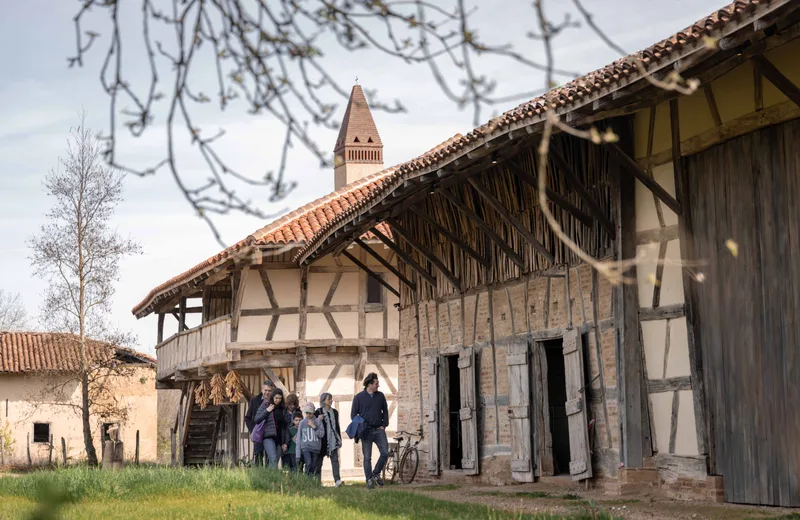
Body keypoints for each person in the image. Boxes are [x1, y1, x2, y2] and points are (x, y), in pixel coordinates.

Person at [351, 372, 389, 489]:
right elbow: (353, 415)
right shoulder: (358, 397)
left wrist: (384, 424)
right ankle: (369, 479)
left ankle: (375, 474)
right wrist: (362, 425)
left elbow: (385, 411)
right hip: (366, 432)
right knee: (367, 457)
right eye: (376, 383)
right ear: (370, 384)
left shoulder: (380, 396)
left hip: (379, 430)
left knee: (385, 453)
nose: (378, 385)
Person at [253, 388, 289, 468]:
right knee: (273, 459)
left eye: (280, 398)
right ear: (272, 397)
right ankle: (272, 479)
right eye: (276, 398)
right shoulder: (266, 405)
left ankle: (271, 479)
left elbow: (286, 427)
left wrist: (285, 442)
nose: (278, 400)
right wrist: (267, 410)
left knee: (275, 461)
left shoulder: (283, 409)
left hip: (280, 439)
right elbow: (257, 419)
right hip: (268, 437)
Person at [314, 392, 344, 487]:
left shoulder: (335, 412)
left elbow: (337, 426)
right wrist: (318, 419)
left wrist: (339, 439)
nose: (331, 400)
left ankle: (337, 480)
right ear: (323, 401)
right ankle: (317, 481)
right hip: (322, 440)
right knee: (319, 462)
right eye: (329, 399)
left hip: (333, 440)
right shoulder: (318, 412)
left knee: (335, 461)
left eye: (331, 399)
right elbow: (313, 424)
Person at [245, 379, 274, 465]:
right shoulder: (254, 401)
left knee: (270, 456)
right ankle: (258, 475)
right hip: (258, 434)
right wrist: (253, 430)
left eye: (269, 391)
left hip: (270, 434)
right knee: (258, 456)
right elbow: (247, 418)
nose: (267, 393)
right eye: (265, 390)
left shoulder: (274, 402)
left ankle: (270, 477)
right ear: (262, 389)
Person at [296, 402, 324, 477]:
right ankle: (307, 479)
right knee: (308, 463)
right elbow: (299, 437)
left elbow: (321, 434)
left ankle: (311, 480)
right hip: (306, 447)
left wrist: (314, 427)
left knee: (313, 465)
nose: (308, 415)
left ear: (314, 412)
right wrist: (298, 454)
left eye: (310, 413)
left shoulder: (318, 421)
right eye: (307, 413)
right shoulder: (302, 423)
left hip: (315, 448)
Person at [282, 393, 300, 470]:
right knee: (286, 462)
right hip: (285, 437)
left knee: (295, 464)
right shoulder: (283, 412)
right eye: (290, 404)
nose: (292, 406)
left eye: (294, 404)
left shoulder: (298, 412)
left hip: (295, 438)